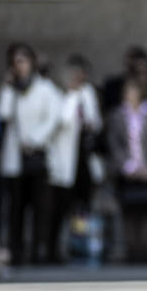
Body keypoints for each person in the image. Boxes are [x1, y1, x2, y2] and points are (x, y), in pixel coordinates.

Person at [0, 42, 62, 264]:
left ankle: (37, 250)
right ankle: (16, 251)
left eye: (23, 61)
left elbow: (53, 118)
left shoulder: (45, 88)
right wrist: (8, 87)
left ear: (32, 62)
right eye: (15, 62)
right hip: (15, 157)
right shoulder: (11, 89)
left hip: (37, 156)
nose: (20, 66)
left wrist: (34, 140)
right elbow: (3, 113)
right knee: (16, 207)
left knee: (39, 207)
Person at [106, 77, 147, 262]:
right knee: (129, 211)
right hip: (126, 171)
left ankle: (146, 250)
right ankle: (131, 250)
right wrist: (127, 165)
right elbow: (114, 142)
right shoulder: (117, 115)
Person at [48, 54, 103, 264]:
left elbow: (95, 122)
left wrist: (88, 116)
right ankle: (56, 249)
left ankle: (83, 247)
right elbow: (63, 120)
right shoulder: (59, 95)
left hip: (85, 159)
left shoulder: (88, 93)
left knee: (85, 208)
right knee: (60, 208)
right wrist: (72, 96)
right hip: (64, 162)